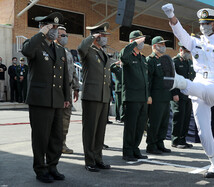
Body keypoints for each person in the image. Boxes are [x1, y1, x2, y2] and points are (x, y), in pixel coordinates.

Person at [162, 4, 214, 178]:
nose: (204, 27)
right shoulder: (195, 42)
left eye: (208, 24)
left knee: (202, 89)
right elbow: (180, 34)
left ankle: (179, 82)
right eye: (202, 24)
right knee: (203, 132)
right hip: (197, 85)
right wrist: (172, 16)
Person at [21, 12, 70, 183]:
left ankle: (52, 166)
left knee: (56, 137)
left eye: (56, 27)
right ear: (43, 27)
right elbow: (26, 50)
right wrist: (41, 32)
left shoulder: (59, 49)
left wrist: (66, 97)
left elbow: (64, 76)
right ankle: (40, 169)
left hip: (57, 99)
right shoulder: (35, 45)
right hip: (40, 100)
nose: (54, 30)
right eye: (51, 26)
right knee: (41, 137)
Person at [77, 22, 111, 172]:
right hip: (92, 96)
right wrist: (91, 37)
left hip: (103, 96)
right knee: (90, 130)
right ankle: (89, 160)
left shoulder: (102, 52)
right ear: (96, 37)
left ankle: (98, 158)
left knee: (100, 131)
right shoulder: (88, 50)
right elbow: (80, 48)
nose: (105, 38)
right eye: (102, 35)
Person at [119, 30, 149, 161]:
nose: (143, 43)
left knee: (140, 126)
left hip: (142, 97)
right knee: (131, 126)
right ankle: (127, 151)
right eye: (140, 40)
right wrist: (133, 44)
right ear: (133, 41)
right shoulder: (128, 55)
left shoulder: (142, 58)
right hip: (132, 97)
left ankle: (135, 148)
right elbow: (123, 56)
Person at [55, 26, 80, 154]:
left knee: (66, 118)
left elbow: (73, 71)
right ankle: (54, 145)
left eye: (66, 35)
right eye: (62, 35)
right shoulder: (53, 50)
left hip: (68, 91)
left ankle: (62, 144)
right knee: (57, 120)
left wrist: (76, 87)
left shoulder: (68, 52)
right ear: (56, 36)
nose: (65, 38)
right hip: (57, 91)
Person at [146, 36, 172, 154]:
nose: (163, 47)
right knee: (154, 122)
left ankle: (160, 143)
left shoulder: (165, 60)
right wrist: (148, 95)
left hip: (165, 96)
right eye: (161, 44)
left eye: (164, 44)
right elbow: (148, 80)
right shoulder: (150, 60)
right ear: (155, 46)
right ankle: (151, 145)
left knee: (164, 122)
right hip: (155, 97)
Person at [170, 43, 195, 149]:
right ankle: (175, 140)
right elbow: (172, 78)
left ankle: (183, 139)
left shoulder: (189, 62)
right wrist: (174, 93)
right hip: (178, 95)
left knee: (186, 118)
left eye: (189, 52)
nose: (189, 54)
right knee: (178, 118)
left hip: (188, 95)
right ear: (181, 50)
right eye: (187, 51)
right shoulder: (174, 61)